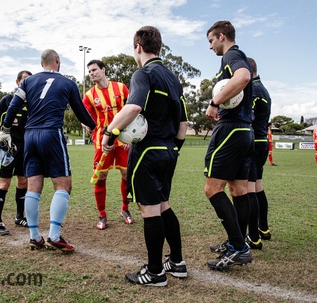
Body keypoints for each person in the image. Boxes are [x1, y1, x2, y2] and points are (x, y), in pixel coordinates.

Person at [102, 26, 188, 286]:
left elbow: (134, 107)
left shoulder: (143, 73)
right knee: (163, 205)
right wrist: (172, 149)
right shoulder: (173, 78)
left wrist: (110, 132)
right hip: (169, 150)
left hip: (148, 151)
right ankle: (176, 262)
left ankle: (155, 272)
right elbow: (183, 123)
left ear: (138, 46)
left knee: (150, 210)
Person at [0, 49, 96, 252]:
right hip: (51, 133)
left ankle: (35, 236)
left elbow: (13, 106)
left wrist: (5, 129)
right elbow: (80, 112)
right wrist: (94, 126)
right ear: (57, 61)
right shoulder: (67, 83)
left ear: (41, 64)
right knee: (63, 185)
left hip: (30, 136)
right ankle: (54, 235)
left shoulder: (27, 82)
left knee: (33, 186)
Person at [204, 20, 254, 270]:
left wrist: (214, 102)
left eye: (211, 41)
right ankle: (238, 240)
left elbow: (243, 76)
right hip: (245, 130)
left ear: (222, 36)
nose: (210, 47)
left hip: (231, 129)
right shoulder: (237, 55)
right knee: (238, 190)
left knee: (212, 189)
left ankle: (239, 247)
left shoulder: (232, 56)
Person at [82, 59, 132, 230]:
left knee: (126, 174)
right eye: (89, 71)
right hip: (101, 143)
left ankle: (125, 209)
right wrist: (87, 126)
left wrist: (130, 138)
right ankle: (102, 214)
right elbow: (84, 117)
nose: (92, 73)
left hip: (123, 140)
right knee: (101, 177)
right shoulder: (89, 95)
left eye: (94, 70)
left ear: (103, 70)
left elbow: (132, 110)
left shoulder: (121, 88)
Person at [0, 70, 32, 235]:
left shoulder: (33, 102)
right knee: (4, 183)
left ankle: (19, 217)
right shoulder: (6, 101)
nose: (28, 83)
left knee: (23, 182)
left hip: (26, 149)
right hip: (8, 148)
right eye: (25, 80)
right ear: (17, 82)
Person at [246, 57, 272, 249]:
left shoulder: (254, 90)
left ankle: (253, 237)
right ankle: (263, 228)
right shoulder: (263, 89)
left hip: (254, 142)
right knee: (258, 187)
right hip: (262, 141)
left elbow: (247, 117)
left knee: (249, 190)